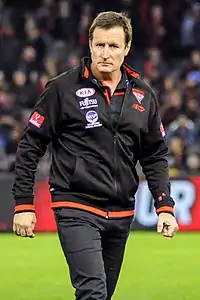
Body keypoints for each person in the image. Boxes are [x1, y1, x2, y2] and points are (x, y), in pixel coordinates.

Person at [12, 11, 179, 300]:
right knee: (92, 292)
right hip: (75, 205)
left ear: (127, 48)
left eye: (113, 46)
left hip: (122, 211)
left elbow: (154, 155)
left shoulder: (143, 95)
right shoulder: (62, 89)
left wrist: (164, 205)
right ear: (89, 45)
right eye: (99, 45)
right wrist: (24, 204)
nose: (105, 53)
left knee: (101, 295)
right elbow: (30, 145)